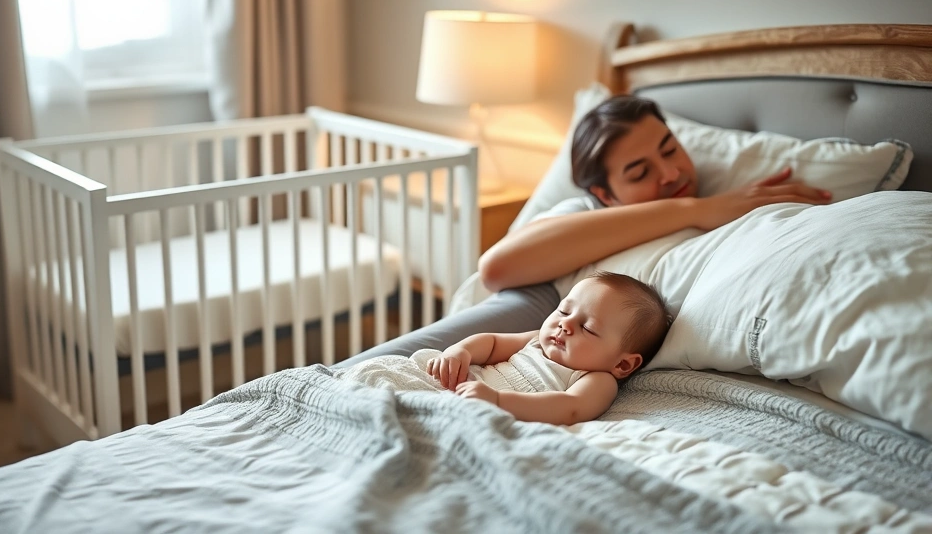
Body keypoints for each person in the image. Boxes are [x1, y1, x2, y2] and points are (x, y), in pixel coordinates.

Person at [337, 94, 830, 368]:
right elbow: (498, 266)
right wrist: (692, 209)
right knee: (367, 373)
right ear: (606, 195)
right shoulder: (587, 210)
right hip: (536, 304)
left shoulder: (712, 211)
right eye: (638, 173)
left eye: (668, 148)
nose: (669, 173)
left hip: (599, 347)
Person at [419, 271, 670, 425]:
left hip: (495, 410)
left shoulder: (597, 380)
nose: (565, 324)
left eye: (588, 328)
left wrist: (497, 400)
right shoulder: (536, 341)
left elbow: (569, 408)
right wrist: (461, 351)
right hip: (460, 385)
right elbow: (493, 342)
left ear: (623, 364)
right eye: (564, 310)